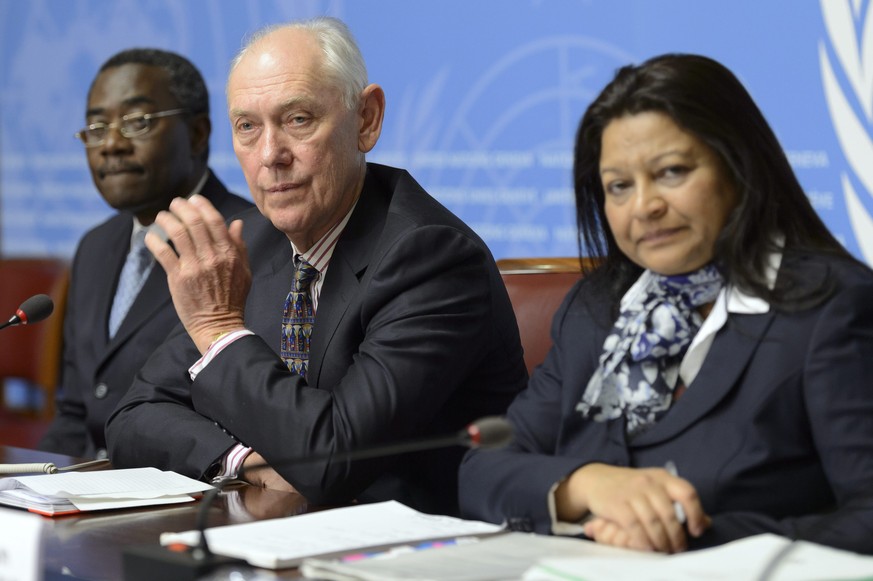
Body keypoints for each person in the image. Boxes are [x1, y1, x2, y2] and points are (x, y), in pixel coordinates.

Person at [105, 17, 526, 516]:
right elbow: (132, 416)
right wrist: (244, 460)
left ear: (366, 119)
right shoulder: (253, 242)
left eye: (298, 119)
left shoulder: (431, 256)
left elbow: (332, 458)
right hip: (287, 538)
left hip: (423, 547)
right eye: (247, 127)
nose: (270, 156)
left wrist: (219, 330)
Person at [459, 53, 873, 555]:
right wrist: (586, 485)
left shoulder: (831, 308)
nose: (645, 206)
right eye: (619, 186)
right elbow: (482, 473)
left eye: (672, 172)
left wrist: (689, 538)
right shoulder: (599, 308)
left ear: (739, 167)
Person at [38, 49, 253, 459]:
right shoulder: (95, 247)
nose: (112, 145)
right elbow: (74, 413)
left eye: (137, 123)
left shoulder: (245, 239)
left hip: (187, 494)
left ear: (197, 134)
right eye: (97, 127)